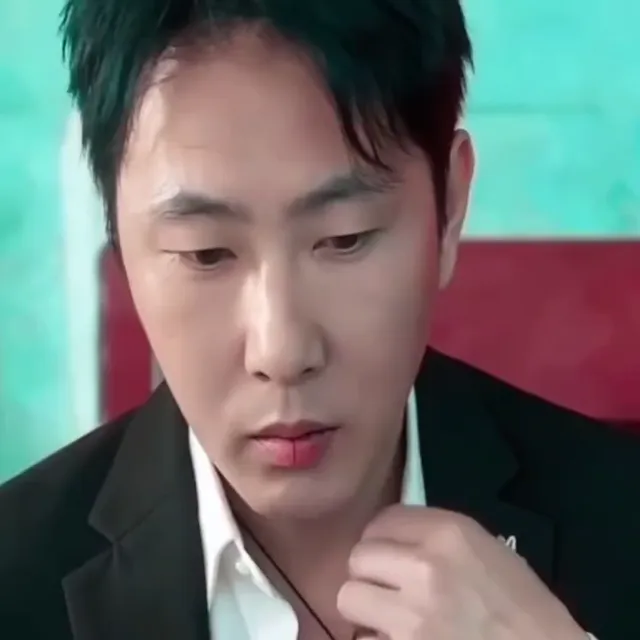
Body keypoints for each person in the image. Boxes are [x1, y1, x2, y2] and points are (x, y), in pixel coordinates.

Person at [0, 0, 638, 638]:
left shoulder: (620, 517)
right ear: (118, 235)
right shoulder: (16, 577)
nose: (281, 351)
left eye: (345, 239)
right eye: (206, 252)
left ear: (448, 206)